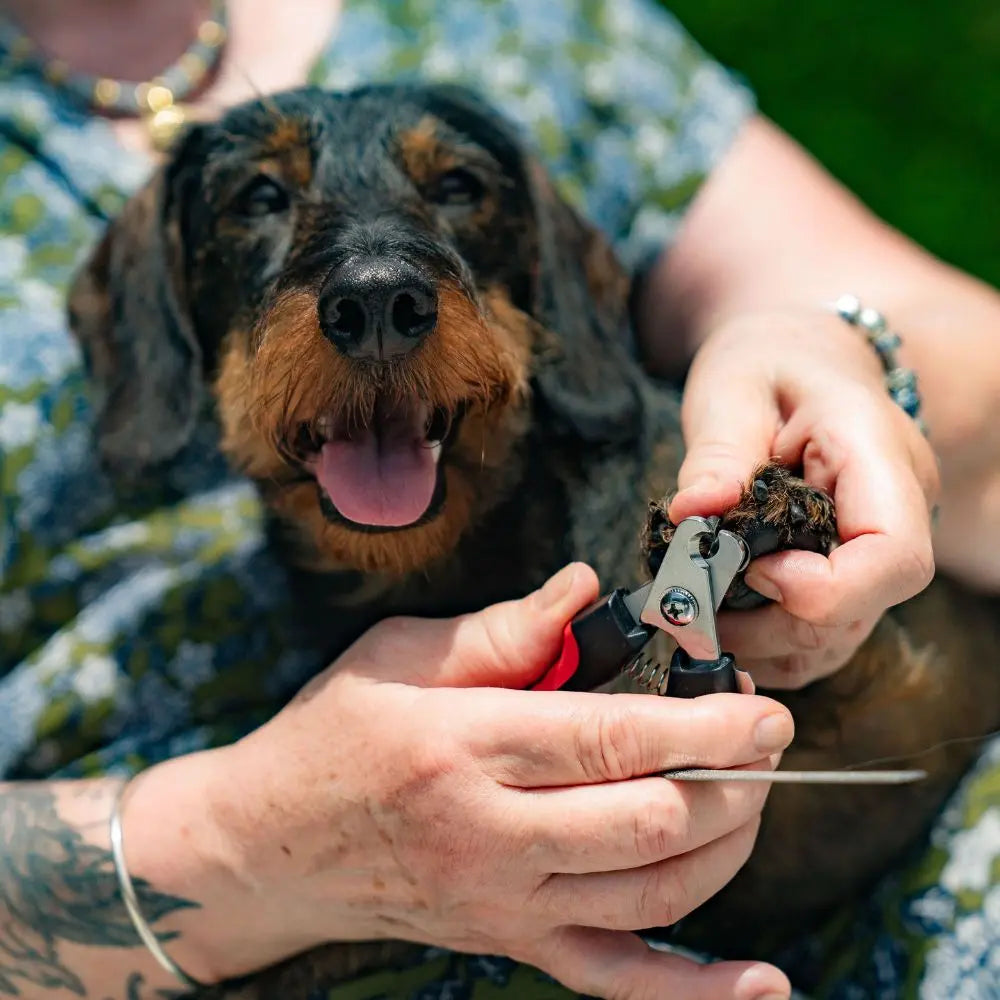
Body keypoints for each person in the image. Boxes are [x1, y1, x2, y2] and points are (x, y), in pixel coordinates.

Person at [0, 1, 997, 998]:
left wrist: (841, 356)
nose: (378, 283)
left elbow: (923, 337)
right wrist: (240, 847)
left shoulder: (534, 26)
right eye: (259, 199)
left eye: (458, 192)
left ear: (537, 279)